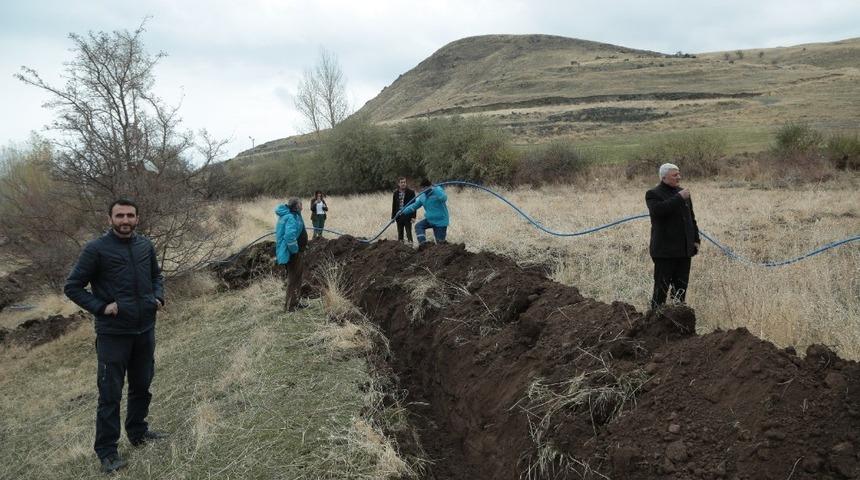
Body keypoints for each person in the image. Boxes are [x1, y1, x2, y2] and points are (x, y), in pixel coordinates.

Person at [64, 199, 167, 474]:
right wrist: (101, 307)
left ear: (137, 218)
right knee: (110, 394)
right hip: (113, 335)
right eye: (119, 215)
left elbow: (157, 276)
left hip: (145, 330)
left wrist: (158, 296)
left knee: (142, 386)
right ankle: (107, 452)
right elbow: (73, 286)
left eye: (130, 215)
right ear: (109, 218)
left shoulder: (145, 245)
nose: (125, 220)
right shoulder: (96, 249)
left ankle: (138, 432)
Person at [646, 163, 701, 309]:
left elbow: (691, 219)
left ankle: (677, 321)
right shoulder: (653, 194)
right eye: (675, 175)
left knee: (680, 291)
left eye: (679, 174)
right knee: (661, 290)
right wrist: (678, 198)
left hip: (684, 251)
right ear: (664, 177)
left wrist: (696, 240)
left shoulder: (683, 193)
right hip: (664, 252)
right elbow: (658, 211)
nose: (679, 177)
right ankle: (655, 320)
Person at [275, 197, 308, 311]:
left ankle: (295, 302)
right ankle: (290, 306)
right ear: (296, 206)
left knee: (297, 278)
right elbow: (289, 237)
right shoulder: (291, 217)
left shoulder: (291, 215)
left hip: (294, 252)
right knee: (294, 279)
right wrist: (295, 250)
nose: (302, 206)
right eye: (301, 204)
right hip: (293, 253)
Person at [399, 178, 449, 245]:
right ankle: (423, 244)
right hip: (430, 220)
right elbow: (414, 206)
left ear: (429, 187)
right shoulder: (423, 196)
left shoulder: (438, 190)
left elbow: (444, 198)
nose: (422, 190)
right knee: (419, 226)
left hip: (440, 221)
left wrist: (434, 189)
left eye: (424, 188)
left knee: (440, 243)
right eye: (422, 188)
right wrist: (403, 211)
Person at [391, 177, 416, 243]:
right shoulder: (395, 193)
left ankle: (411, 245)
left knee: (409, 233)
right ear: (398, 184)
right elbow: (394, 206)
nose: (403, 184)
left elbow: (414, 205)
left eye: (404, 182)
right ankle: (400, 247)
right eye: (401, 182)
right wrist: (393, 217)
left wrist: (413, 216)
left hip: (408, 215)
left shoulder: (411, 192)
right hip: (398, 216)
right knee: (400, 234)